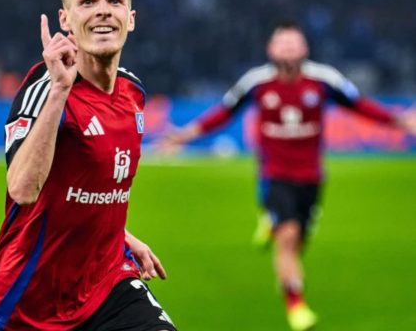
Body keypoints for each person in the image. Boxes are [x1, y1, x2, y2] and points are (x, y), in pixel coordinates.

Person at [158, 20, 416, 331]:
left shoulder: (323, 79)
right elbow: (225, 112)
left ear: (304, 48)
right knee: (288, 238)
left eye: (294, 43)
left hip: (311, 177)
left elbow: (358, 105)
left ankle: (269, 224)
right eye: (283, 43)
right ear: (271, 48)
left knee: (298, 242)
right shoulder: (256, 82)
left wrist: (399, 121)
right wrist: (185, 135)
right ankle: (295, 304)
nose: (289, 48)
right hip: (274, 174)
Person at [0, 0, 176, 331]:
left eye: (114, 1)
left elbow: (87, 189)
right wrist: (59, 92)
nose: (103, 11)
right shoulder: (45, 87)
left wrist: (121, 236)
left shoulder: (133, 92)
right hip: (27, 303)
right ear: (65, 20)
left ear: (131, 18)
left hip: (107, 285)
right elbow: (23, 189)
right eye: (88, 2)